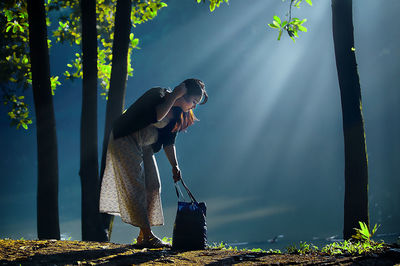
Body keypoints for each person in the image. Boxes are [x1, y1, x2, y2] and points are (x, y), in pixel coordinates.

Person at [99, 78, 208, 248]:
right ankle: (149, 236)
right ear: (183, 94)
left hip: (146, 146)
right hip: (125, 138)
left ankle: (143, 237)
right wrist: (174, 95)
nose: (194, 107)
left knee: (153, 185)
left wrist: (175, 166)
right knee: (136, 186)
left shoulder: (179, 114)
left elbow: (169, 142)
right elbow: (157, 115)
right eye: (193, 101)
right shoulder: (157, 95)